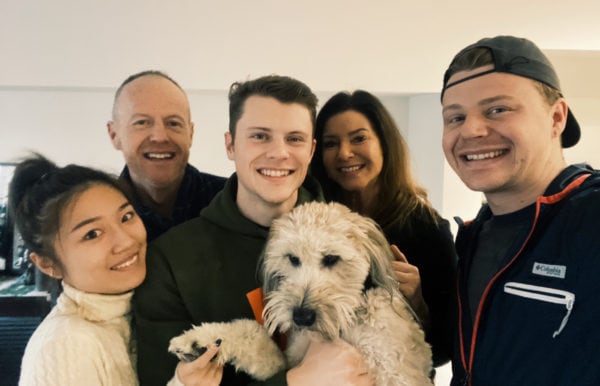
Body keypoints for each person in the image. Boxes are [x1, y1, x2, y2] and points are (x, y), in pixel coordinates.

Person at [133, 75, 374, 386]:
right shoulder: (170, 260)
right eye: (260, 136)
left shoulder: (356, 238)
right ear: (231, 145)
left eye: (295, 139)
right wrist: (296, 382)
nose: (279, 153)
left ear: (312, 150)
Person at [441, 35, 600, 385]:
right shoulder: (474, 235)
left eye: (497, 109)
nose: (471, 130)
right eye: (455, 117)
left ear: (556, 117)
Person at [310, 90, 457, 367]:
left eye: (359, 138)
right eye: (331, 143)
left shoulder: (427, 229)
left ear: (385, 144)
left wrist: (417, 303)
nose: (344, 153)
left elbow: (444, 350)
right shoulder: (312, 223)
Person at [10, 154, 147, 385]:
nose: (125, 241)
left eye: (126, 217)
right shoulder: (66, 344)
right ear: (47, 264)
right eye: (92, 234)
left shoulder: (136, 312)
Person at [107, 70, 226, 241]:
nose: (160, 136)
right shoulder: (95, 220)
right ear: (114, 135)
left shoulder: (233, 202)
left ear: (190, 134)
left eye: (173, 123)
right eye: (141, 123)